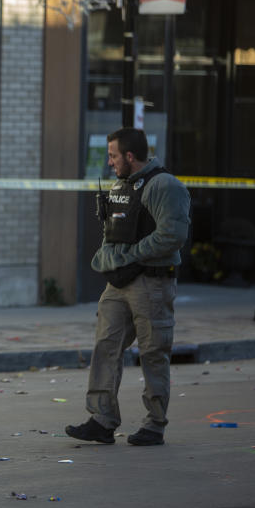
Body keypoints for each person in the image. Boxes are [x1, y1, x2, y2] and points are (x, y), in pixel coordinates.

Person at [66, 127, 190, 446]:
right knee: (106, 345)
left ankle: (155, 424)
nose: (109, 162)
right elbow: (115, 230)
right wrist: (110, 258)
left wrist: (130, 256)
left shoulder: (164, 185)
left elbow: (172, 235)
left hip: (151, 281)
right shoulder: (122, 186)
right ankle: (102, 419)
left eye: (113, 155)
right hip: (120, 282)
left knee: (153, 352)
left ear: (130, 156)